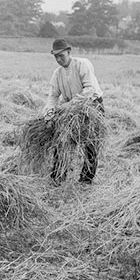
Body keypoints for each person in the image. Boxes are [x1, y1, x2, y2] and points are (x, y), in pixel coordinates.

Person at [43, 39, 104, 184]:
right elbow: (52, 96)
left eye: (61, 55)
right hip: (71, 108)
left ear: (69, 52)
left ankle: (86, 180)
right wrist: (49, 116)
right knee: (62, 139)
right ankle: (58, 176)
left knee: (90, 143)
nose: (59, 59)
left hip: (92, 105)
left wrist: (70, 104)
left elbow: (90, 89)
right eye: (56, 57)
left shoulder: (82, 65)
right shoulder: (57, 74)